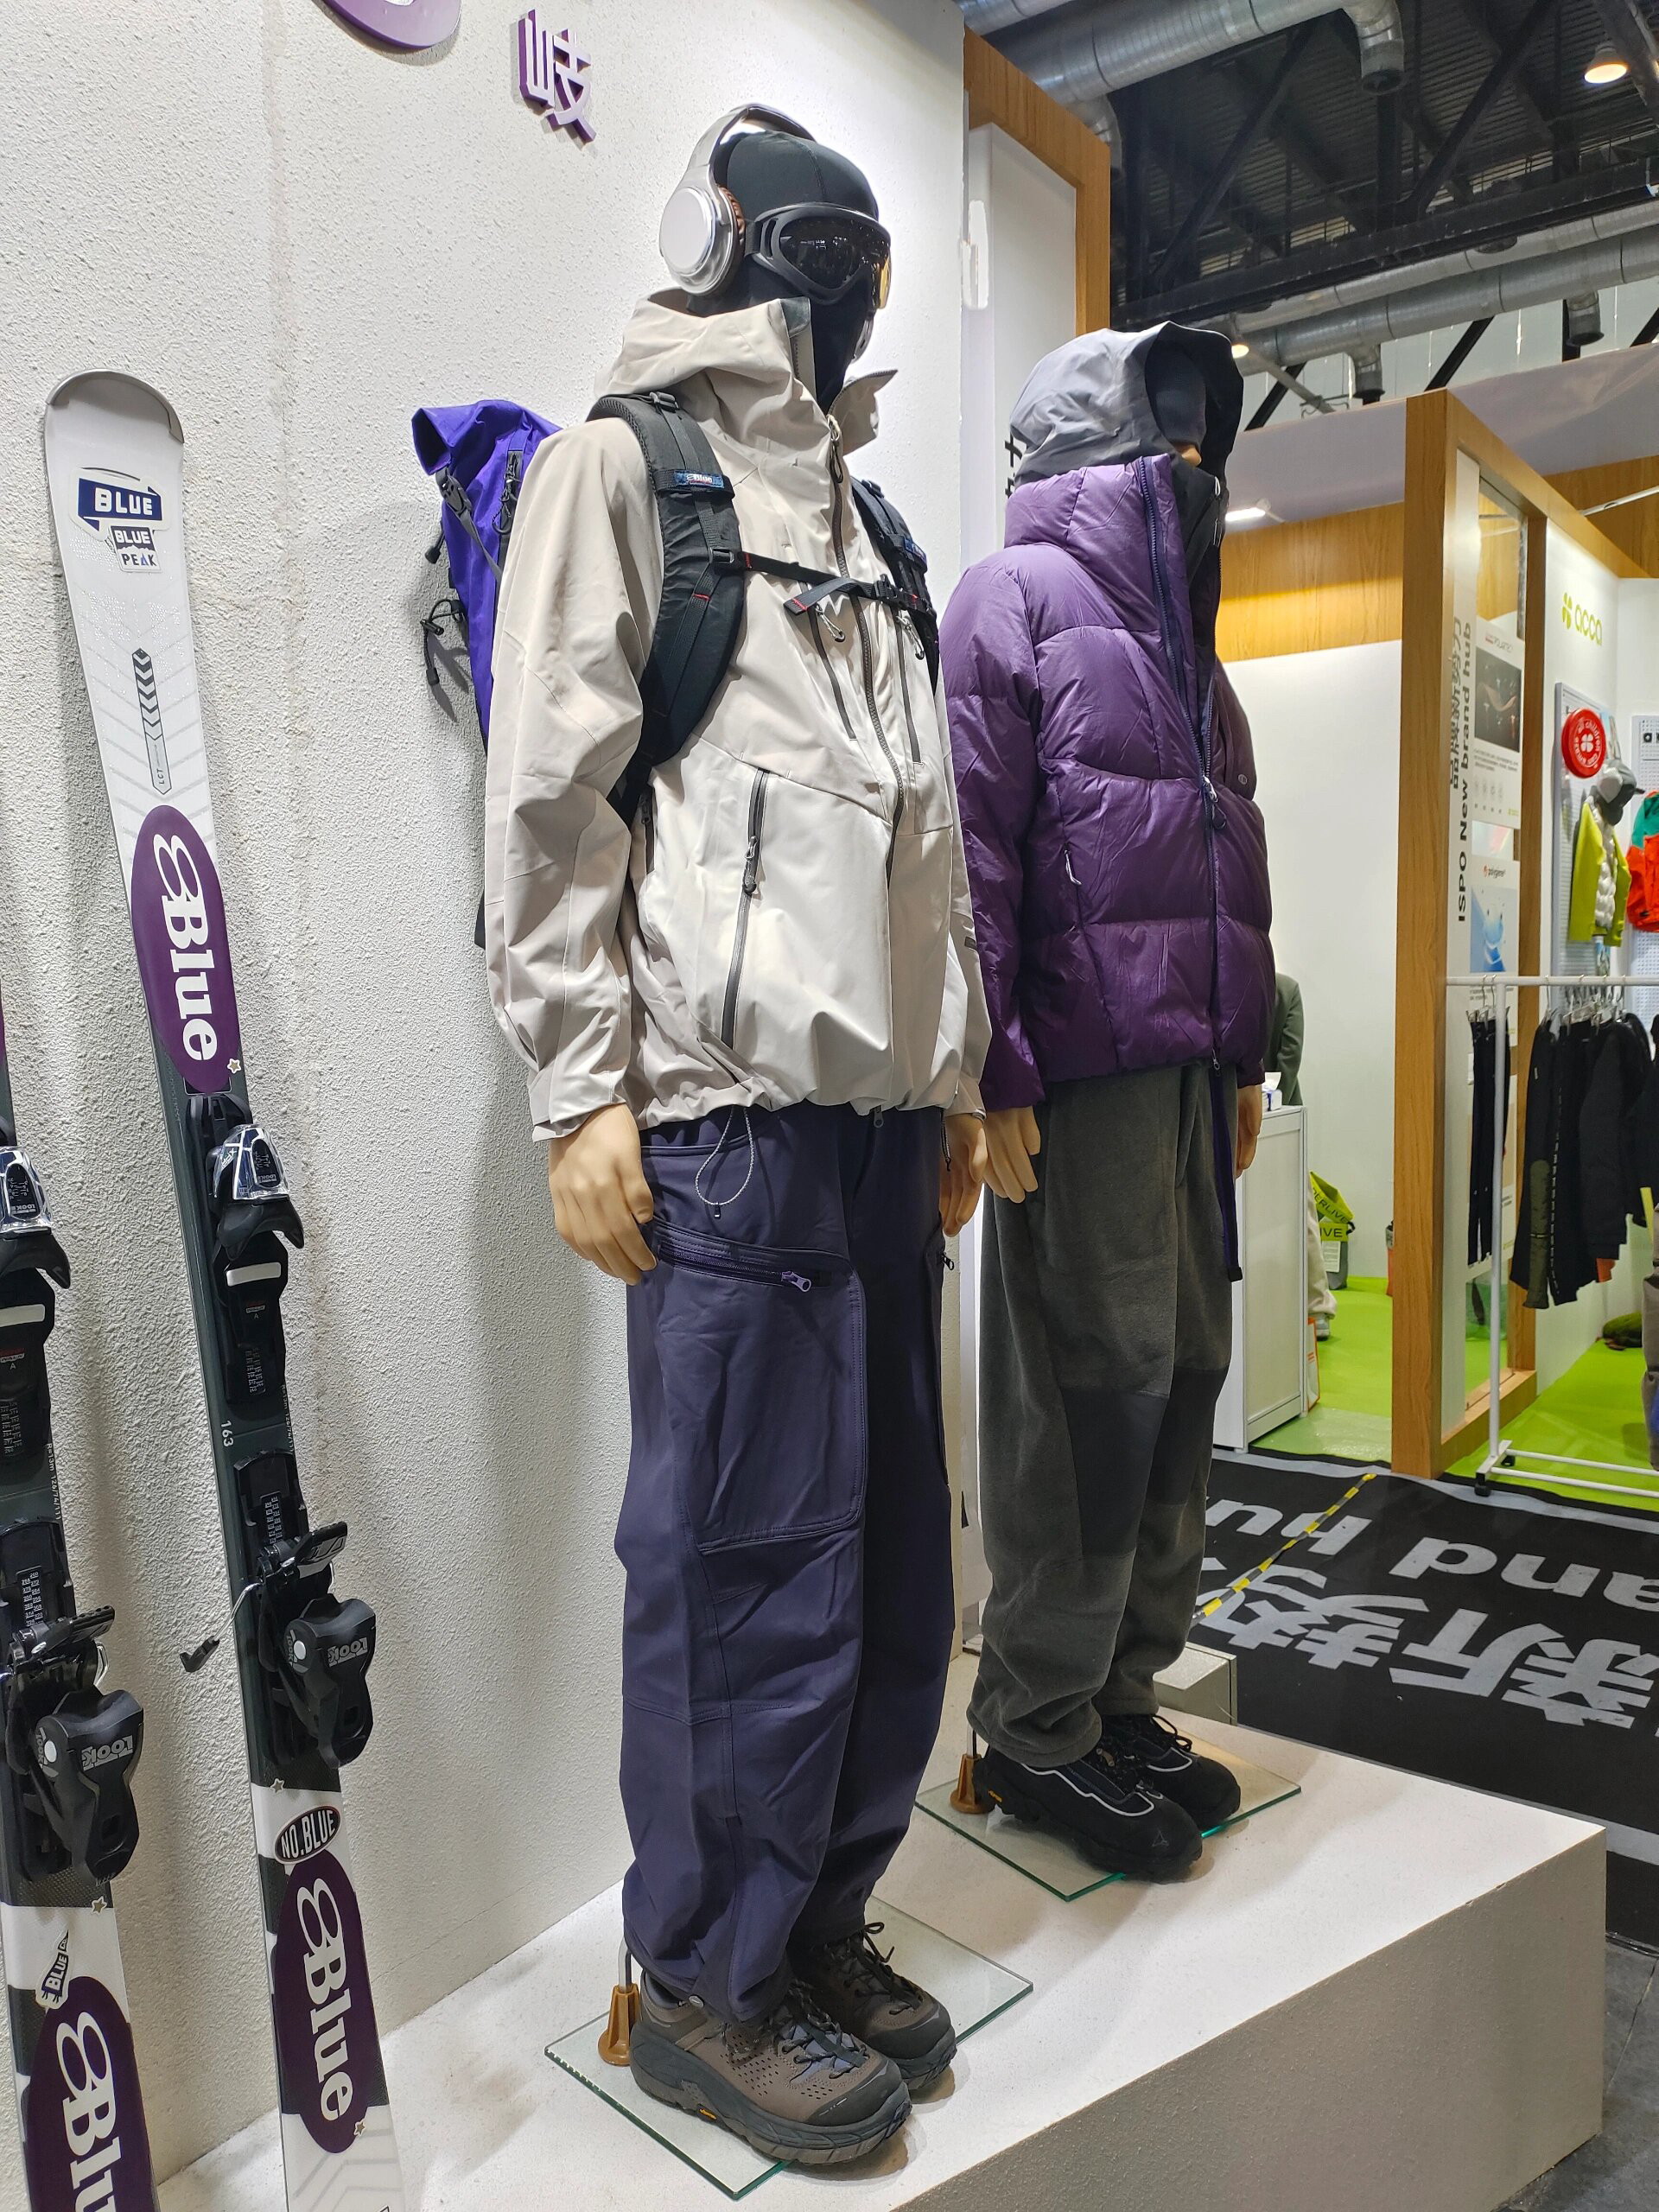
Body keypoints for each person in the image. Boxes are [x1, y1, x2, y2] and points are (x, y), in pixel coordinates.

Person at [484, 108, 988, 2169]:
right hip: (719, 1124)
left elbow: (928, 843)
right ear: (735, 249)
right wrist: (574, 1089)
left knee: (888, 1564)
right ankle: (703, 1976)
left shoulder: (872, 531)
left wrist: (956, 1077)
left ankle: (819, 1922)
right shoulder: (627, 472)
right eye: (820, 251)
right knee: (740, 1566)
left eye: (868, 257)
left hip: (871, 1132)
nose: (848, 286)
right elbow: (548, 801)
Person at [943, 323, 1274, 1880]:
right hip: (1078, 1080)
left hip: (1190, 1077)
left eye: (1206, 434)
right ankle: (1034, 1723)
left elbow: (1231, 849)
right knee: (1085, 1399)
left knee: (1184, 1380)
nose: (1196, 457)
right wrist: (990, 1070)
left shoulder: (1189, 640)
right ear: (1104, 439)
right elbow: (970, 854)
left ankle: (1121, 1696)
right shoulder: (1010, 599)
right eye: (1170, 428)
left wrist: (1247, 1054)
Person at [1268, 972, 1338, 1339]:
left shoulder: (1223, 983)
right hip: (1281, 1113)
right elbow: (1290, 1057)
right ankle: (1316, 1306)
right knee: (1301, 1207)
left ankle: (1315, 1305)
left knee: (1299, 1205)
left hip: (1242, 1110)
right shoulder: (1286, 988)